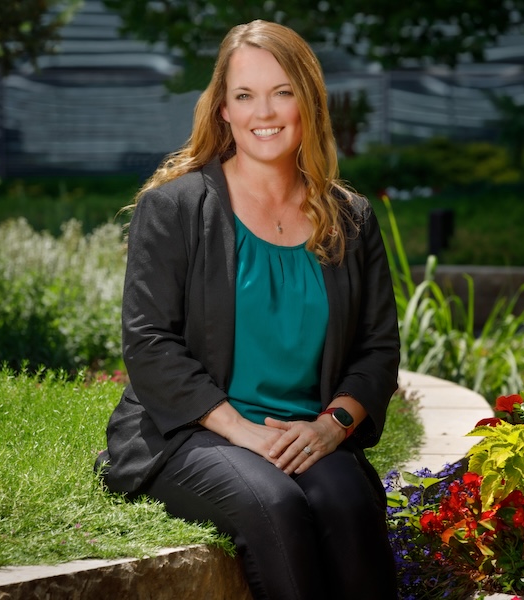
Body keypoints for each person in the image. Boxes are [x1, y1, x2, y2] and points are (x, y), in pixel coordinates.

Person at [96, 19, 400, 600]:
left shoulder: (351, 218)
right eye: (245, 95)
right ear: (223, 112)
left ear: (308, 103)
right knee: (274, 504)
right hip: (193, 432)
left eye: (283, 92)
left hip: (304, 429)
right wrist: (245, 434)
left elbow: (377, 348)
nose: (266, 111)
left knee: (347, 499)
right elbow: (150, 344)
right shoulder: (175, 209)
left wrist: (331, 426)